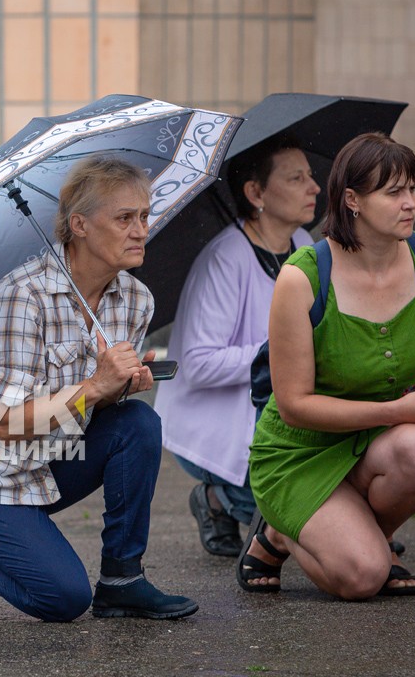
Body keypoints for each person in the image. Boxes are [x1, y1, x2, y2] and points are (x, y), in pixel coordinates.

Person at [0, 155, 198, 623]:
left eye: (144, 215)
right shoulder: (22, 296)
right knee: (62, 599)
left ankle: (123, 580)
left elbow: (92, 406)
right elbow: (7, 426)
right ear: (79, 225)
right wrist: (96, 383)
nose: (141, 229)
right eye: (124, 218)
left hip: (51, 460)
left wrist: (121, 387)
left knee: (138, 422)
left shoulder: (137, 300)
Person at [240, 132, 415, 599]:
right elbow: (295, 405)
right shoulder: (302, 278)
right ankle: (279, 533)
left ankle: (366, 532)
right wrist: (400, 412)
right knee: (363, 578)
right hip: (300, 453)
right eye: (393, 192)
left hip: (378, 441)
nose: (410, 204)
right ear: (352, 200)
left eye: (413, 189)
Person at [155, 144, 319, 557]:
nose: (314, 187)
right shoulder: (226, 259)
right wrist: (282, 351)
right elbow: (198, 364)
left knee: (322, 487)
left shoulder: (301, 243)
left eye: (310, 175)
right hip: (217, 422)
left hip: (274, 409)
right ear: (256, 193)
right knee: (278, 506)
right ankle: (216, 500)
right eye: (296, 178)